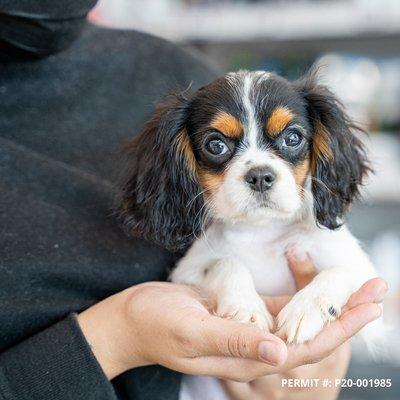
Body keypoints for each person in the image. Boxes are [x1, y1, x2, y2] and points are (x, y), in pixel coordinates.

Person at [0, 1, 386, 399]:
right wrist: (126, 333)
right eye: (217, 145)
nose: (259, 169)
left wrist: (318, 374)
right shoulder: (214, 244)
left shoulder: (180, 67)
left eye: (290, 141)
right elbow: (191, 276)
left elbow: (361, 297)